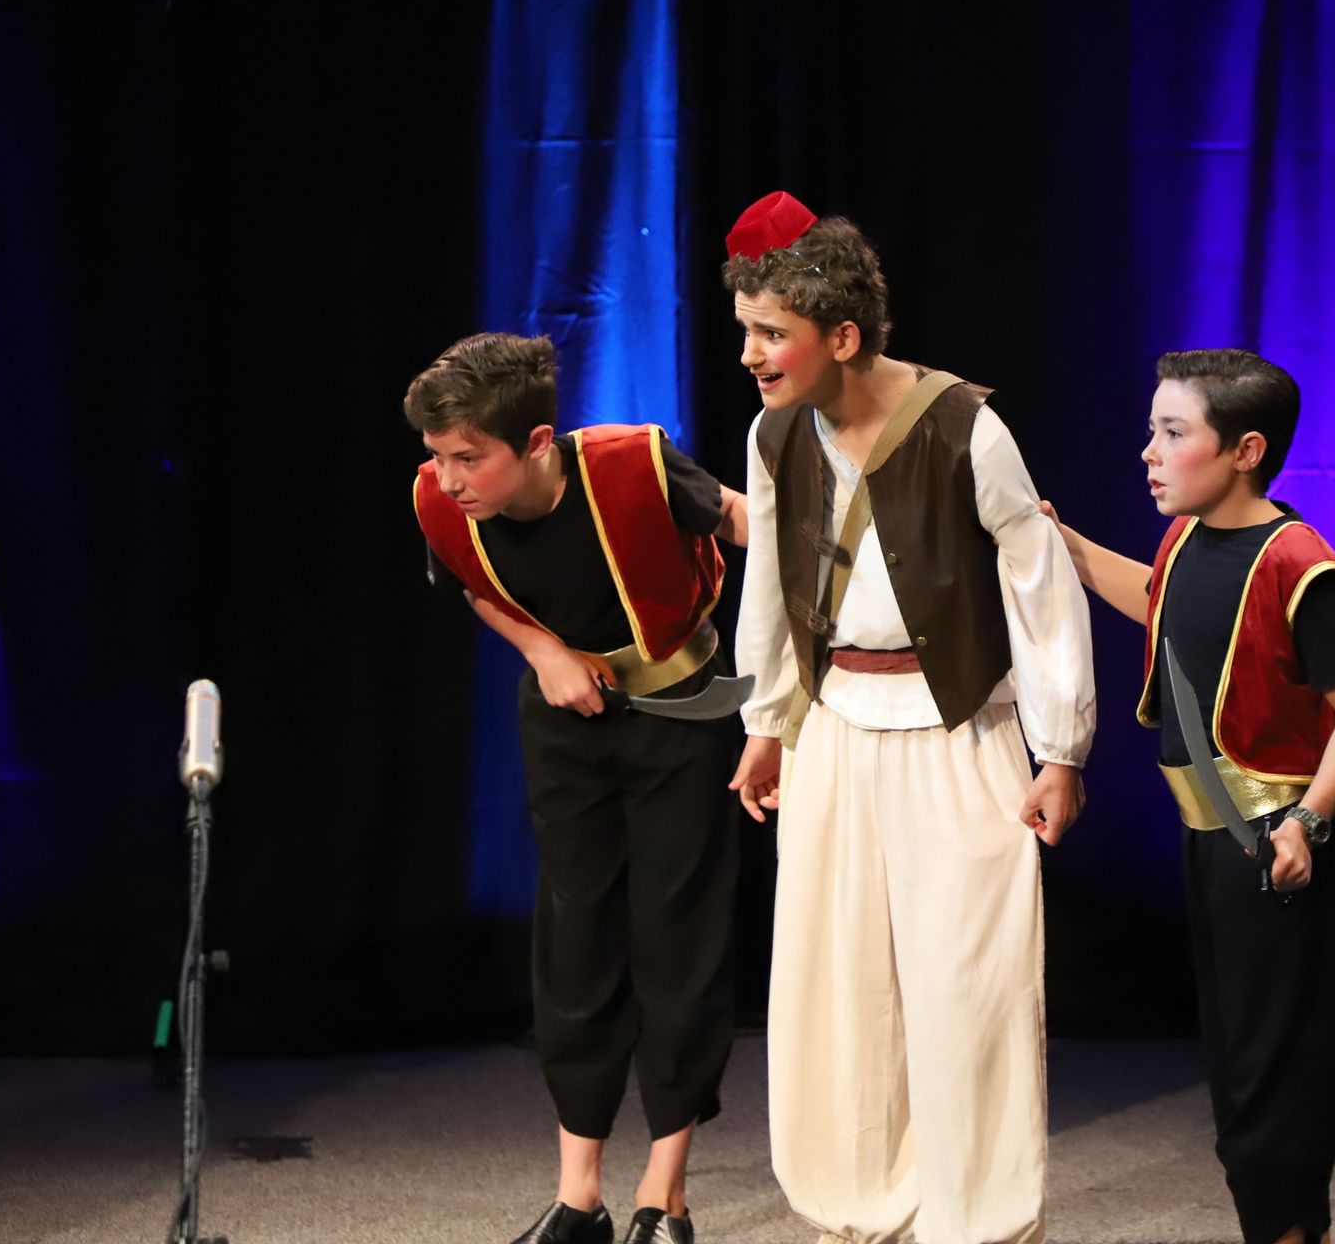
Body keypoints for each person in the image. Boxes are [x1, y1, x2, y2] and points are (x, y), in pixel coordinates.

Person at [721, 191, 1096, 1244]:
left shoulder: (965, 430)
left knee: (966, 979)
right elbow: (772, 585)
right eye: (746, 331)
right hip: (836, 722)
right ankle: (858, 1199)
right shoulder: (775, 432)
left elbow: (1038, 587)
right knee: (836, 973)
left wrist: (1059, 748)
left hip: (957, 731)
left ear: (840, 335)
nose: (751, 354)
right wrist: (766, 718)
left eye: (770, 333)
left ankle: (973, 1213)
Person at [405, 332, 747, 1244]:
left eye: (470, 459)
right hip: (568, 722)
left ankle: (663, 1198)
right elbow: (477, 585)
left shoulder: (630, 465)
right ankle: (580, 1197)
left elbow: (747, 523)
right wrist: (543, 650)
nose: (450, 479)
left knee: (679, 938)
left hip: (682, 708)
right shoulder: (440, 503)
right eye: (439, 458)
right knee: (575, 937)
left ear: (539, 441)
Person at [1043, 349, 1335, 1244]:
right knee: (1239, 1063)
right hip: (1212, 840)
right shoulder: (1188, 538)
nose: (1148, 453)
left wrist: (1307, 821)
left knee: (1279, 1066)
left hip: (1276, 840)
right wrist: (1070, 549)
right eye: (1153, 430)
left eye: (1172, 433)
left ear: (1245, 451)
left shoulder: (1299, 565)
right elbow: (1161, 605)